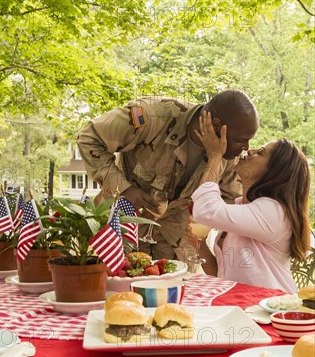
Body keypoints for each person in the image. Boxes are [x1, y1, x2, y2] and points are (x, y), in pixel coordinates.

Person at [76, 90, 259, 261]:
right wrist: (125, 188)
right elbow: (88, 138)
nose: (246, 148)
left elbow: (230, 204)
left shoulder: (226, 155)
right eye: (242, 140)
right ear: (217, 125)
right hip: (119, 231)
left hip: (174, 248)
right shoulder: (151, 116)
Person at [189, 111, 310, 292]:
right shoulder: (243, 209)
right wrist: (201, 247)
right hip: (245, 311)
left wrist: (215, 157)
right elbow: (224, 276)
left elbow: (205, 210)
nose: (250, 150)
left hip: (271, 312)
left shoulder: (273, 212)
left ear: (274, 172)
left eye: (260, 153)